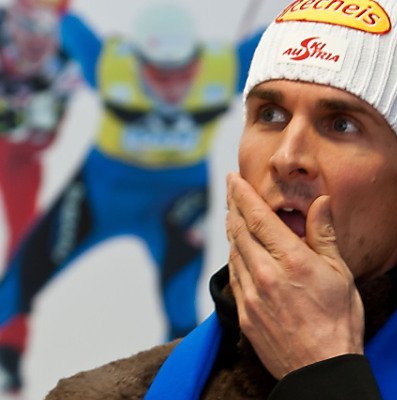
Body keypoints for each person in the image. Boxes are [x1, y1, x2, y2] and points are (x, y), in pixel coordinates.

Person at [46, 0, 397, 398]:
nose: (287, 156)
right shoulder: (100, 394)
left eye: (340, 123)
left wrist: (325, 373)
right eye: (270, 115)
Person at [0, 2, 261, 394]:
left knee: (182, 309)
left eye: (183, 72)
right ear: (138, 60)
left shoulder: (223, 67)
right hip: (101, 194)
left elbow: (280, 32)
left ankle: (188, 391)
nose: (171, 87)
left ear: (197, 58)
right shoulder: (111, 63)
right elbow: (67, 21)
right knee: (22, 276)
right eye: (158, 73)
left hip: (175, 202)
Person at [0, 0, 78, 392]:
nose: (34, 43)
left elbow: (45, 136)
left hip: (17, 159)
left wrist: (25, 122)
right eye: (26, 30)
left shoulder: (65, 61)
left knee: (25, 244)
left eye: (44, 34)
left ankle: (8, 352)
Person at [0, 0, 77, 263]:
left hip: (18, 157)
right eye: (28, 25)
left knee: (26, 237)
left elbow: (47, 134)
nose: (37, 38)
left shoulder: (69, 56)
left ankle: (13, 289)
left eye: (47, 28)